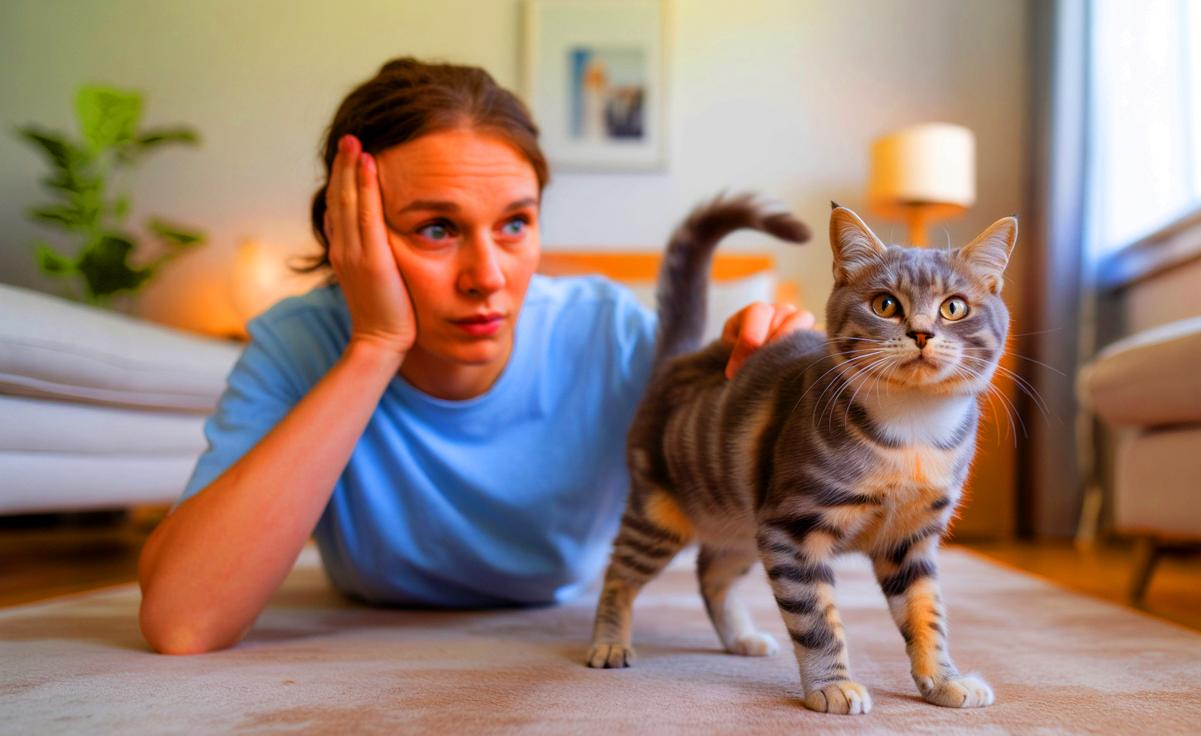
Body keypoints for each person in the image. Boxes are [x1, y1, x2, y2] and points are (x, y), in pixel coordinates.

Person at [136, 58, 814, 655]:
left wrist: (783, 377)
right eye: (436, 229)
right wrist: (374, 346)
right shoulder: (298, 343)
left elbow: (754, 456)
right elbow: (184, 622)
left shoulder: (606, 333)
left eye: (515, 224)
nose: (487, 275)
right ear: (349, 235)